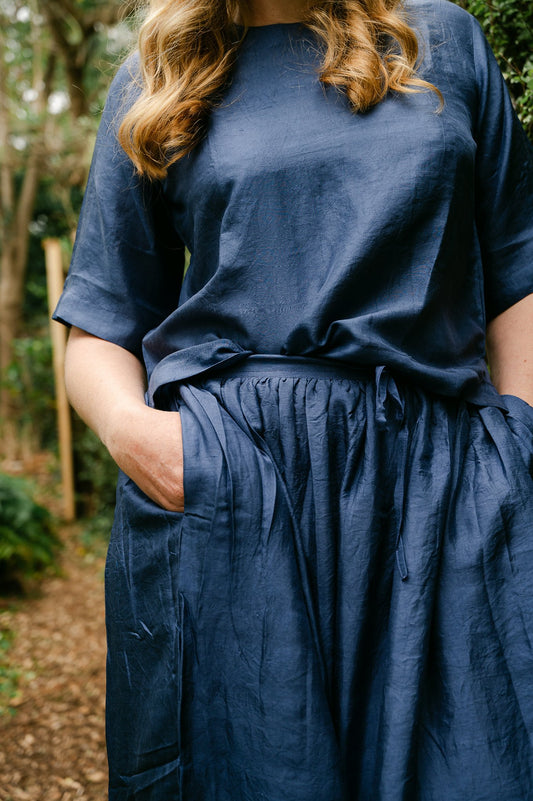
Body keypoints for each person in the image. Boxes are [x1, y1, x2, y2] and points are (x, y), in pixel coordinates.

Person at [53, 0, 533, 797]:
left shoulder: (440, 38)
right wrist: (139, 437)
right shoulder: (160, 77)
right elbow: (100, 324)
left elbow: (517, 272)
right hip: (233, 497)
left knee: (475, 766)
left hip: (440, 487)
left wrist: (516, 448)